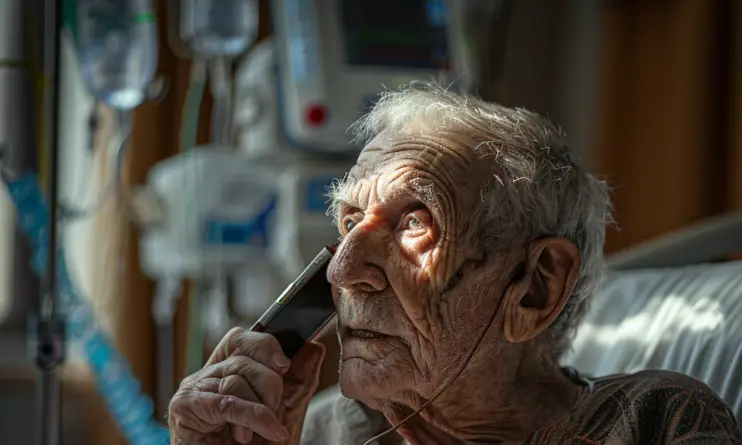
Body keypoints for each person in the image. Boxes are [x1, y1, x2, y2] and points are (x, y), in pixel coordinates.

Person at [167, 82, 741, 444]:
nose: (341, 271)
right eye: (348, 223)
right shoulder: (319, 431)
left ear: (536, 289)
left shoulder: (659, 423)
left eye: (416, 221)